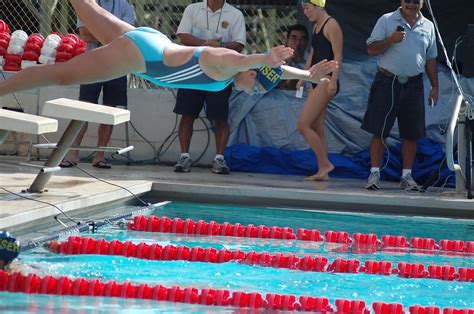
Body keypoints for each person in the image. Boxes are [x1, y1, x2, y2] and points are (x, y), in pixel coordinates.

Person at [0, 0, 338, 111]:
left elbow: (269, 72)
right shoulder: (225, 66)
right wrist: (263, 57)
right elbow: (240, 61)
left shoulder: (236, 75)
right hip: (140, 56)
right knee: (59, 74)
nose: (250, 91)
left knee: (84, 4)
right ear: (252, 74)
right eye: (255, 88)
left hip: (150, 42)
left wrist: (307, 76)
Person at [362, 0, 438, 191]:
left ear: (422, 3)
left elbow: (430, 58)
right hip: (387, 81)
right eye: (407, 1)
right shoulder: (387, 20)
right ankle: (375, 173)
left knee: (411, 133)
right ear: (401, 1)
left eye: (416, 1)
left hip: (414, 84)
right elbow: (371, 50)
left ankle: (406, 176)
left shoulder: (428, 26)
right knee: (379, 130)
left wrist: (435, 86)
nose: (411, 4)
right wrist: (390, 40)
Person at [60, 0, 136, 169]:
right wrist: (113, 36)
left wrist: (99, 31)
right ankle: (73, 153)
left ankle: (99, 155)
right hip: (93, 63)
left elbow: (128, 36)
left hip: (117, 65)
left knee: (110, 110)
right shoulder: (88, 4)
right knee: (84, 108)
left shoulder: (124, 6)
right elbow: (84, 34)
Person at [173, 0, 246, 174]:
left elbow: (239, 44)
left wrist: (219, 46)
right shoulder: (193, 9)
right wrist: (205, 45)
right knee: (187, 114)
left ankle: (219, 159)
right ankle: (184, 157)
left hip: (220, 73)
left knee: (220, 117)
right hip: (193, 71)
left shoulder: (235, 14)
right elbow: (182, 34)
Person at [296, 0, 343, 181]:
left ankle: (325, 164)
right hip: (317, 81)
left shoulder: (332, 25)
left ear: (318, 5)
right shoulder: (316, 27)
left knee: (303, 125)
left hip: (326, 81)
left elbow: (338, 55)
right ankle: (323, 171)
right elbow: (313, 55)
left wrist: (334, 81)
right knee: (317, 127)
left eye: (307, 8)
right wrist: (303, 77)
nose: (306, 13)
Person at [278, 24, 309, 90]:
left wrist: (300, 63)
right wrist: (285, 62)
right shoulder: (277, 57)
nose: (298, 43)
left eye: (302, 39)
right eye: (294, 38)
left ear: (306, 43)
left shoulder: (311, 61)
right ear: (287, 41)